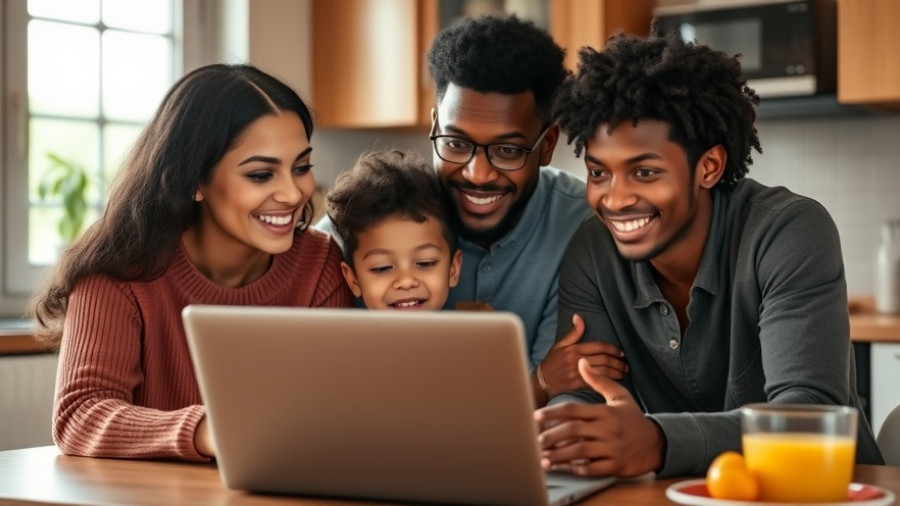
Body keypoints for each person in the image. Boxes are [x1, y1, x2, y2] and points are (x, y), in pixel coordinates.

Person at [535, 32, 884, 478]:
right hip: (688, 491)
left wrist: (658, 441)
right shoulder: (593, 247)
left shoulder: (789, 230)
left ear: (709, 167)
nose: (615, 199)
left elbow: (808, 418)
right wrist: (562, 431)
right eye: (599, 172)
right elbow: (588, 392)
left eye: (645, 171)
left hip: (820, 490)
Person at [30, 63, 354, 462]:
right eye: (260, 175)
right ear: (196, 180)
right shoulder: (117, 270)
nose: (292, 193)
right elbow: (79, 415)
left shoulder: (320, 264)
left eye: (301, 168)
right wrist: (208, 431)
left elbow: (336, 414)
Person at [426, 14, 626, 405]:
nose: (477, 174)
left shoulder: (583, 226)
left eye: (507, 151)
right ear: (434, 125)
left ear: (548, 144)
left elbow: (567, 403)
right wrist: (539, 382)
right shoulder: (380, 206)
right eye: (455, 143)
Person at [326, 149, 461, 310]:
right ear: (353, 280)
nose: (406, 282)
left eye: (425, 263)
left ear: (453, 269)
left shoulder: (472, 335)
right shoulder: (341, 335)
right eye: (382, 268)